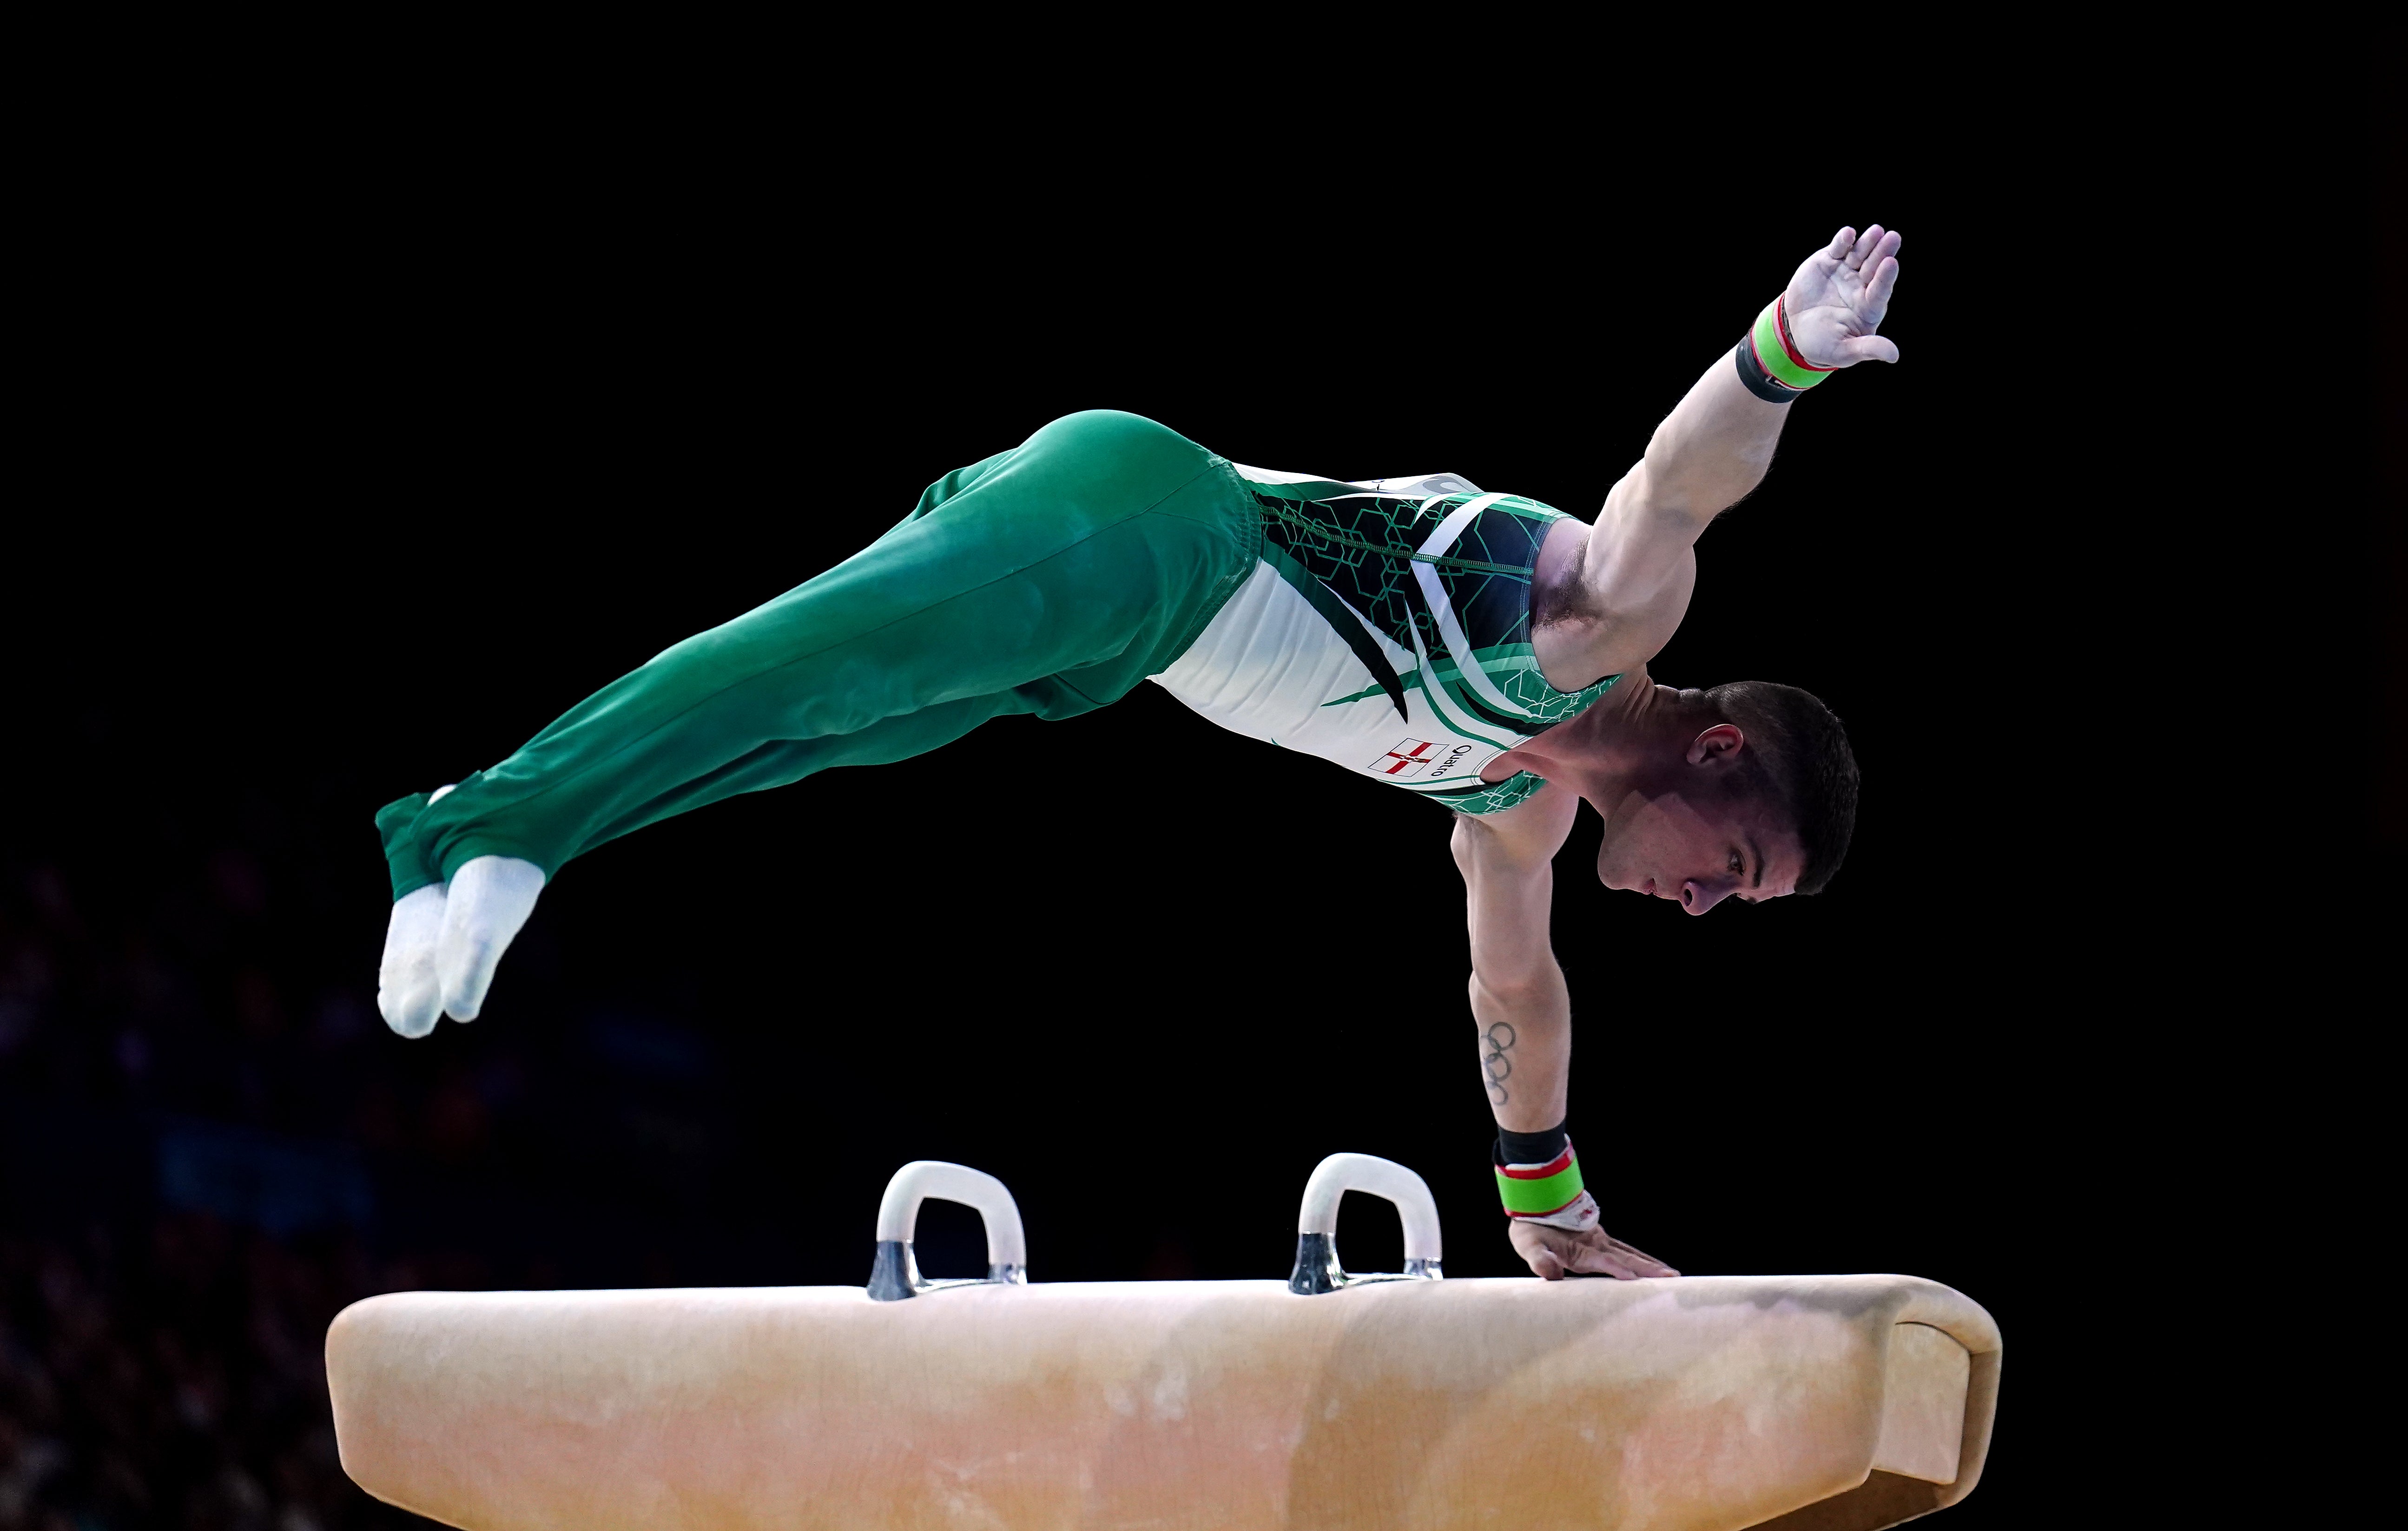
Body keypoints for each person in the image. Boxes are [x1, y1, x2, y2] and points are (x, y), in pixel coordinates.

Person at [375, 224, 1901, 1282]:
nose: (1702, 912)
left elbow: (1517, 991)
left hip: (1118, 651)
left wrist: (1546, 1201)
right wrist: (1782, 360)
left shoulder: (1514, 811)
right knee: (819, 662)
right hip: (1160, 521)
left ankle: (506, 825)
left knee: (818, 734)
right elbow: (1674, 489)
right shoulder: (1596, 618)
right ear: (1713, 755)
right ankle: (477, 830)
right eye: (1735, 875)